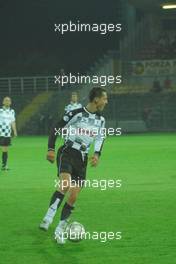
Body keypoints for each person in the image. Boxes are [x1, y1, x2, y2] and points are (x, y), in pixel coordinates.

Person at [39, 87, 108, 244]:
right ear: (96, 99)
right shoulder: (76, 113)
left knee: (74, 195)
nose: (106, 101)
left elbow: (100, 138)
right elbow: (56, 127)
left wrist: (97, 154)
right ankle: (48, 218)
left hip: (82, 158)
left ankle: (59, 230)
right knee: (65, 184)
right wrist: (50, 148)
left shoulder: (101, 120)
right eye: (105, 98)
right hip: (68, 151)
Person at [0, 97, 17, 170]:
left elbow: (12, 122)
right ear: (3, 102)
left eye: (9, 101)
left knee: (5, 150)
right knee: (4, 149)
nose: (7, 102)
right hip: (0, 132)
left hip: (7, 134)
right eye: (6, 100)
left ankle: (4, 165)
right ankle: (4, 165)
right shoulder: (0, 110)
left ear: (10, 102)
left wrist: (15, 131)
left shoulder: (12, 111)